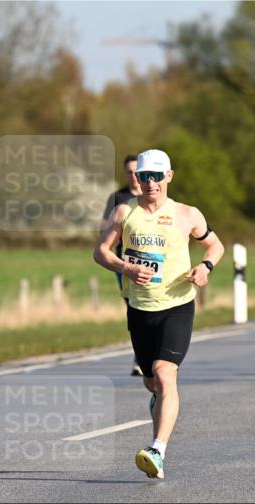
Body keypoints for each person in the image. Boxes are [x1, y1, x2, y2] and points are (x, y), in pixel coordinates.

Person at [93, 149, 224, 480]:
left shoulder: (186, 214)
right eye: (145, 176)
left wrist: (206, 267)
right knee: (151, 381)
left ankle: (157, 450)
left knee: (166, 374)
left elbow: (216, 245)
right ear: (137, 178)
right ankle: (158, 401)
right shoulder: (124, 211)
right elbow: (101, 251)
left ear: (169, 176)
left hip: (177, 305)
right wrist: (126, 267)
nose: (151, 183)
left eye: (157, 176)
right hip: (139, 308)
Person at [103, 154, 144, 375]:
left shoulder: (153, 195)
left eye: (137, 171)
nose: (134, 176)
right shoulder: (118, 198)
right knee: (134, 308)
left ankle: (154, 354)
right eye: (130, 172)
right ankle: (140, 356)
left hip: (152, 262)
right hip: (125, 264)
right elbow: (105, 230)